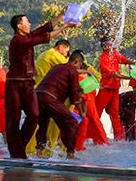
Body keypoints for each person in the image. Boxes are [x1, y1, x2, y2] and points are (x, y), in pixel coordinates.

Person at [5, 12, 65, 160]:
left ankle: (20, 144)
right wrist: (65, 26)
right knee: (13, 119)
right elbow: (43, 37)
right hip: (14, 83)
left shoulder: (27, 36)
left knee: (34, 114)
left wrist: (62, 14)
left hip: (28, 83)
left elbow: (44, 29)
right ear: (19, 26)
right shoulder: (17, 40)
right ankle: (17, 153)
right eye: (27, 22)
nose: (30, 24)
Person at [34, 51, 86, 159]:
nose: (78, 68)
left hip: (38, 96)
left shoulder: (57, 67)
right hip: (50, 98)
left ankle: (38, 152)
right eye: (79, 65)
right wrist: (81, 112)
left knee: (43, 124)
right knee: (72, 122)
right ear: (76, 61)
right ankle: (70, 154)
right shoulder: (72, 70)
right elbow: (74, 94)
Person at [31, 38, 71, 156]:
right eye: (66, 51)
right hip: (48, 93)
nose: (66, 54)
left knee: (42, 123)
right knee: (55, 121)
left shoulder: (45, 54)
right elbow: (69, 67)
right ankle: (49, 150)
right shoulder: (53, 55)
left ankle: (40, 149)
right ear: (60, 48)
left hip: (40, 91)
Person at [97, 37, 134, 141]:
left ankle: (119, 138)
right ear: (103, 47)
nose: (110, 46)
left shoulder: (115, 54)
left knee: (115, 113)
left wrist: (131, 62)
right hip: (106, 89)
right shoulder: (103, 59)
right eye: (107, 45)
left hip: (115, 89)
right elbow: (114, 74)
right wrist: (130, 77)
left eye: (110, 44)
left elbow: (124, 60)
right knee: (97, 112)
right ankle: (94, 137)